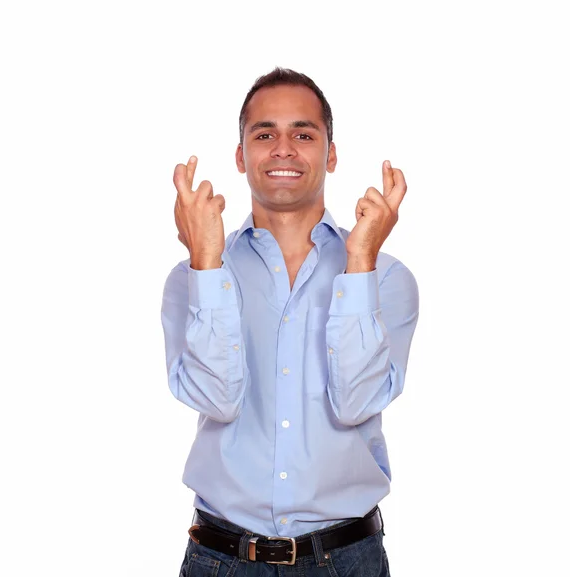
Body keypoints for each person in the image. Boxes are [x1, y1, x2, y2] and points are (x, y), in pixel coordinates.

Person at [161, 67, 419, 576]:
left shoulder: (386, 278)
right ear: (241, 156)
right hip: (222, 560)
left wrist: (360, 262)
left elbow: (356, 403)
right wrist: (207, 264)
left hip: (347, 561)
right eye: (264, 134)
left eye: (303, 134)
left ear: (332, 153)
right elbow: (217, 399)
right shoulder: (192, 278)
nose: (283, 148)